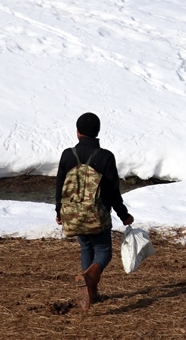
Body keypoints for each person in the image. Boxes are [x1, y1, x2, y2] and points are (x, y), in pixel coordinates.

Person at [55, 112, 134, 311]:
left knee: (86, 248)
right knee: (104, 252)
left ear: (78, 133)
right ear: (97, 132)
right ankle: (89, 278)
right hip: (97, 216)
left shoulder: (67, 154)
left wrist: (60, 211)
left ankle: (91, 292)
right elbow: (112, 191)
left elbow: (60, 186)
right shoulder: (105, 157)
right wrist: (123, 215)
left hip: (73, 216)